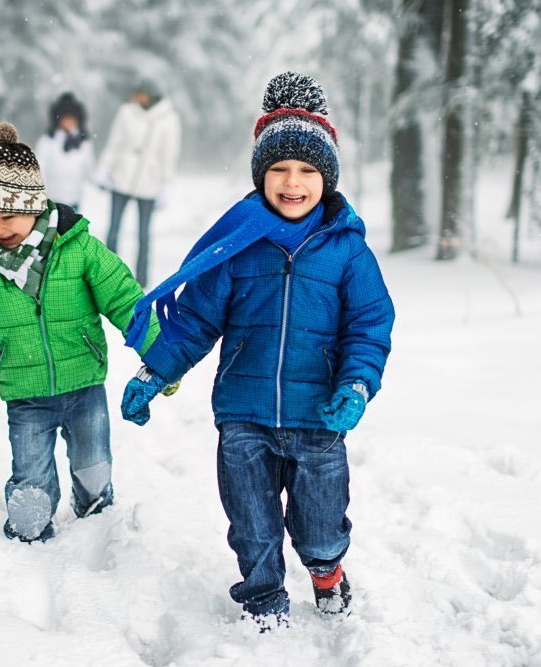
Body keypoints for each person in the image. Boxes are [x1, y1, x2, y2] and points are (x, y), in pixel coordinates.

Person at [118, 73, 394, 627]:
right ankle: (264, 599)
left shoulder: (347, 251)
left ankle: (325, 571)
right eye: (279, 170)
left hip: (319, 417)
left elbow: (369, 326)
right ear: (260, 174)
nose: (293, 183)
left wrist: (357, 384)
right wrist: (155, 371)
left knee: (320, 524)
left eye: (308, 171)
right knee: (251, 522)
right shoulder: (239, 243)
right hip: (243, 415)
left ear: (328, 178)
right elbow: (195, 318)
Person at [0, 122, 159, 544]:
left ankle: (96, 519)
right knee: (30, 478)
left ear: (33, 205)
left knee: (94, 466)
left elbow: (126, 300)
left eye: (8, 216)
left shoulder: (78, 248)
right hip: (25, 391)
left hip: (84, 385)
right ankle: (29, 528)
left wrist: (164, 355)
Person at [95, 77, 182, 287]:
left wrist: (166, 185)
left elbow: (169, 153)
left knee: (143, 234)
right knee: (113, 228)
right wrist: (104, 167)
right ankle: (107, 275)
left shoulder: (168, 119)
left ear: (150, 95)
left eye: (139, 93)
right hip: (122, 178)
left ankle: (142, 279)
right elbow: (115, 142)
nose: (135, 97)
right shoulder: (126, 112)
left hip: (149, 183)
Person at [35, 92, 96, 212]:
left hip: (74, 198)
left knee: (71, 229)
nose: (69, 122)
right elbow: (39, 167)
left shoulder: (83, 142)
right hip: (52, 198)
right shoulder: (48, 141)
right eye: (66, 118)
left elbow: (90, 168)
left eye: (72, 119)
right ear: (58, 119)